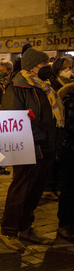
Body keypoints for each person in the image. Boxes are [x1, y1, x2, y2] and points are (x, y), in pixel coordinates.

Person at [0, 48, 64, 247]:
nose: (47, 67)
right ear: (32, 66)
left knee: (35, 191)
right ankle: (8, 232)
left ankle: (26, 228)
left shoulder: (45, 86)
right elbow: (13, 119)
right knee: (21, 191)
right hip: (28, 147)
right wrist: (40, 135)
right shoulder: (17, 88)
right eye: (43, 64)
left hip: (47, 147)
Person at [57, 81, 74, 242]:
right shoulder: (70, 100)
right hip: (71, 150)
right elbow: (69, 126)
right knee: (70, 188)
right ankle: (65, 224)